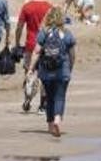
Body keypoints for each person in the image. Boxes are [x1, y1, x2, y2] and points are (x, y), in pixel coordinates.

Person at [28, 7, 77, 137]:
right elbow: (72, 55)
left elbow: (37, 52)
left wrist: (31, 68)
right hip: (62, 71)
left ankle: (50, 126)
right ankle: (57, 120)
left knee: (49, 98)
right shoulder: (67, 34)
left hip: (46, 71)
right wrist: (70, 67)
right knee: (60, 96)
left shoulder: (43, 33)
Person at [14, 0, 54, 112]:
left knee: (29, 72)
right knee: (45, 75)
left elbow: (19, 26)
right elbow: (53, 27)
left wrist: (17, 42)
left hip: (30, 44)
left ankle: (27, 99)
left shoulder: (27, 7)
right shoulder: (50, 7)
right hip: (46, 45)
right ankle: (43, 105)